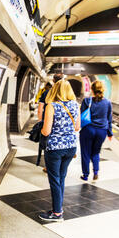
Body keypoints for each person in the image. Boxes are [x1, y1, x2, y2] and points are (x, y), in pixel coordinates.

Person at [39, 80, 81, 222]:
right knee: (61, 178)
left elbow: (46, 131)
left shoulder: (52, 106)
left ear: (55, 90)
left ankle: (57, 213)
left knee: (54, 180)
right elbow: (77, 127)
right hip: (70, 147)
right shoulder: (76, 105)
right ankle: (58, 208)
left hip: (55, 148)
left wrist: (41, 131)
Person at [79, 80, 113, 181]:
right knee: (96, 152)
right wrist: (110, 133)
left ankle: (85, 175)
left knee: (85, 152)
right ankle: (96, 172)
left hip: (88, 130)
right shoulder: (107, 103)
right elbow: (109, 119)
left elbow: (81, 115)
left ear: (92, 89)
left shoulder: (87, 101)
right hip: (101, 131)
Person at [38, 74, 63, 173]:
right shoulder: (65, 94)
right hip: (61, 123)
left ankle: (48, 167)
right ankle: (59, 165)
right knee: (60, 143)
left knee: (47, 144)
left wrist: (40, 122)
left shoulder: (47, 93)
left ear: (53, 80)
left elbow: (40, 109)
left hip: (47, 121)